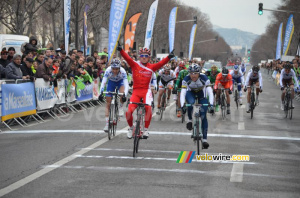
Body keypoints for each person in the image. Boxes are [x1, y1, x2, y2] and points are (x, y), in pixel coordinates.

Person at [118, 43, 174, 139]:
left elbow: (161, 63)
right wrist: (121, 50)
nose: (144, 57)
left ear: (149, 57)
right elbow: (127, 58)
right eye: (142, 56)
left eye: (146, 56)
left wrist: (169, 57)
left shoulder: (152, 67)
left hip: (146, 91)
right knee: (128, 112)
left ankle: (146, 130)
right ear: (140, 57)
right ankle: (131, 128)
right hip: (136, 91)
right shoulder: (134, 64)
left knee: (148, 108)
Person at [180, 63, 214, 149]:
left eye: (195, 73)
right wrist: (182, 105)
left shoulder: (204, 78)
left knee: (203, 116)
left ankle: (205, 140)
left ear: (199, 73)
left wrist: (211, 104)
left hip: (201, 93)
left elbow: (210, 92)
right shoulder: (186, 79)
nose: (193, 75)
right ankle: (190, 120)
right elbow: (183, 93)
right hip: (190, 92)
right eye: (191, 73)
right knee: (190, 102)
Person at [99, 59, 129, 132]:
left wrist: (125, 94)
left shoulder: (123, 71)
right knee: (108, 103)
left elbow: (126, 84)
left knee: (122, 93)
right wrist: (101, 92)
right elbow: (103, 82)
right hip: (111, 83)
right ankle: (106, 124)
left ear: (119, 68)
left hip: (120, 82)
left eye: (116, 69)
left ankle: (121, 108)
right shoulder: (108, 70)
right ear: (111, 67)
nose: (115, 71)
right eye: (113, 69)